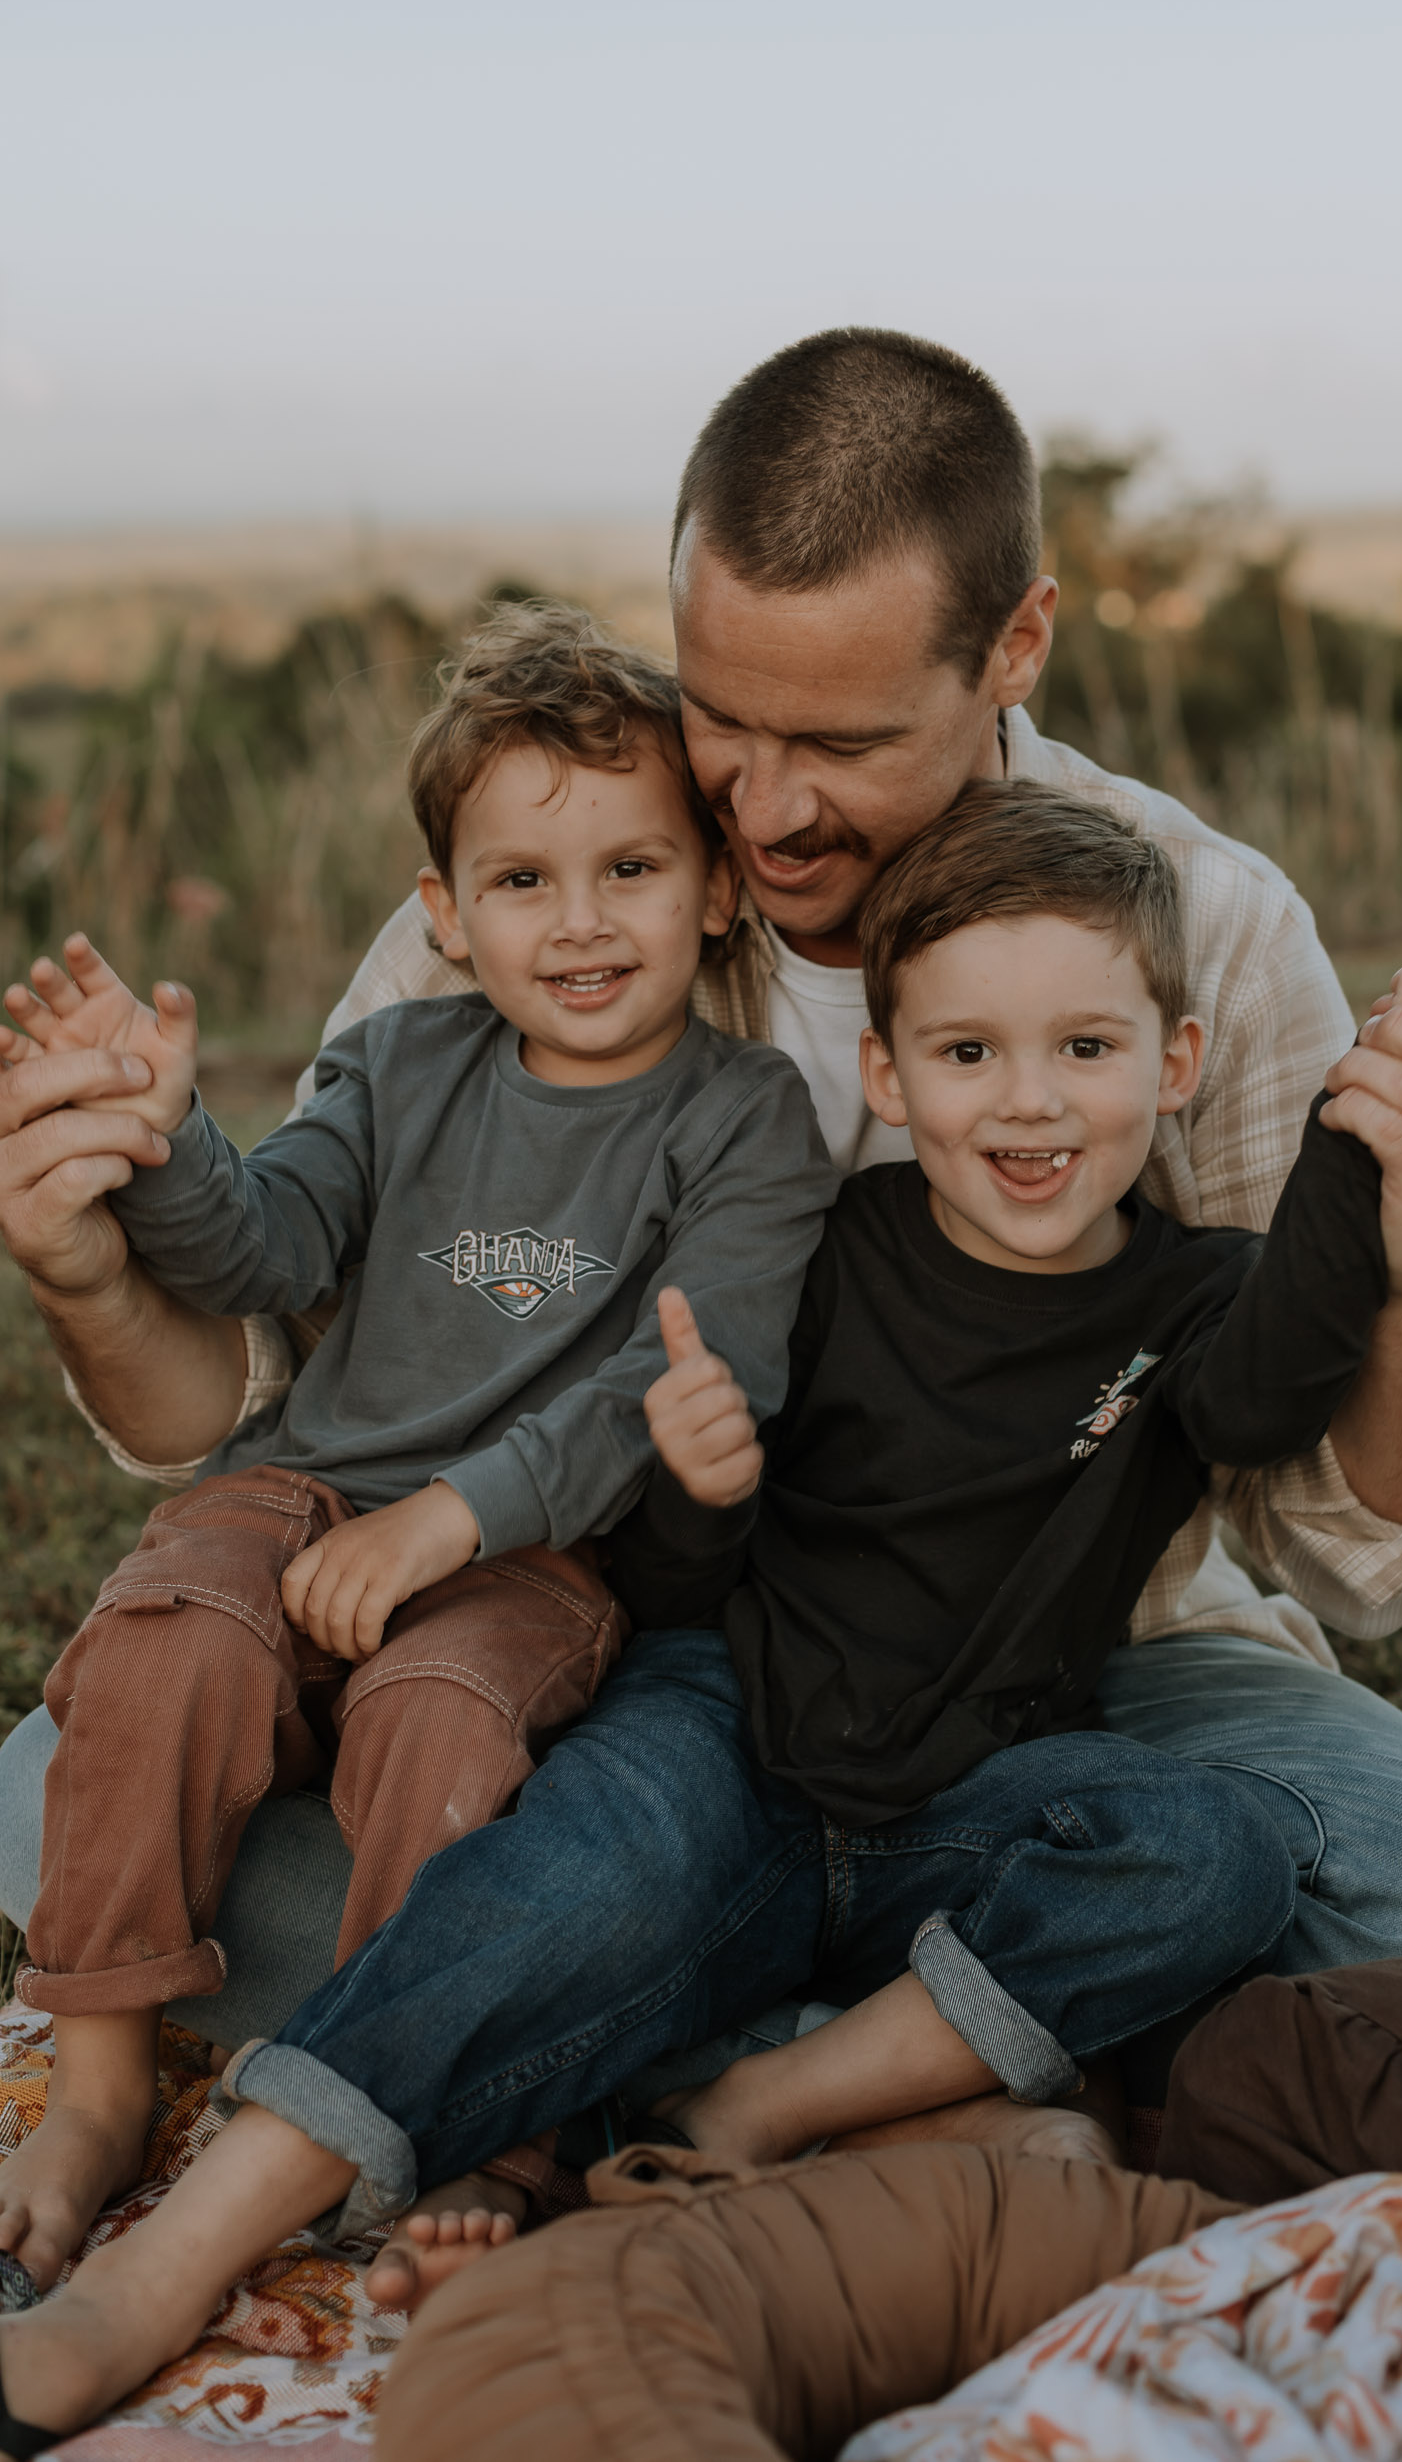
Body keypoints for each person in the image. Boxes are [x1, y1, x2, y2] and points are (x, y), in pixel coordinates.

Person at [0, 333, 1402, 2040]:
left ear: (1018, 646)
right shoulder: (559, 893)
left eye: (840, 739)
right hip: (578, 1618)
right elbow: (261, 1393)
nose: (763, 805)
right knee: (56, 1786)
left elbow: (1342, 1549)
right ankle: (915, 2024)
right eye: (722, 714)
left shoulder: (1210, 928)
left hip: (1063, 1654)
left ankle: (617, 2014)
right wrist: (93, 1277)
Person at [0, 783, 1402, 2437]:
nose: (1028, 1105)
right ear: (886, 1076)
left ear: (1174, 1069)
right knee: (564, 1881)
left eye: (1086, 1052)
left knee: (1219, 1846)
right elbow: (668, 1580)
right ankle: (156, 2276)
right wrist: (704, 1479)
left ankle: (747, 2102)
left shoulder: (1191, 1300)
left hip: (964, 1793)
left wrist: (1356, 1137)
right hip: (722, 1725)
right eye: (966, 1056)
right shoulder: (829, 1246)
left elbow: (1267, 1401)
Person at [0, 604, 834, 2299]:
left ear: (717, 886)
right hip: (306, 1487)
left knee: (441, 1720)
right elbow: (266, 1253)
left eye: (633, 868)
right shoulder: (396, 1064)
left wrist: (454, 1520)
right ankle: (96, 2085)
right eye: (523, 880)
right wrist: (164, 1148)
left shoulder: (745, 1119)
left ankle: (447, 2113)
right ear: (445, 916)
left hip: (534, 1549)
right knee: (165, 1647)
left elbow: (670, 1383)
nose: (581, 921)